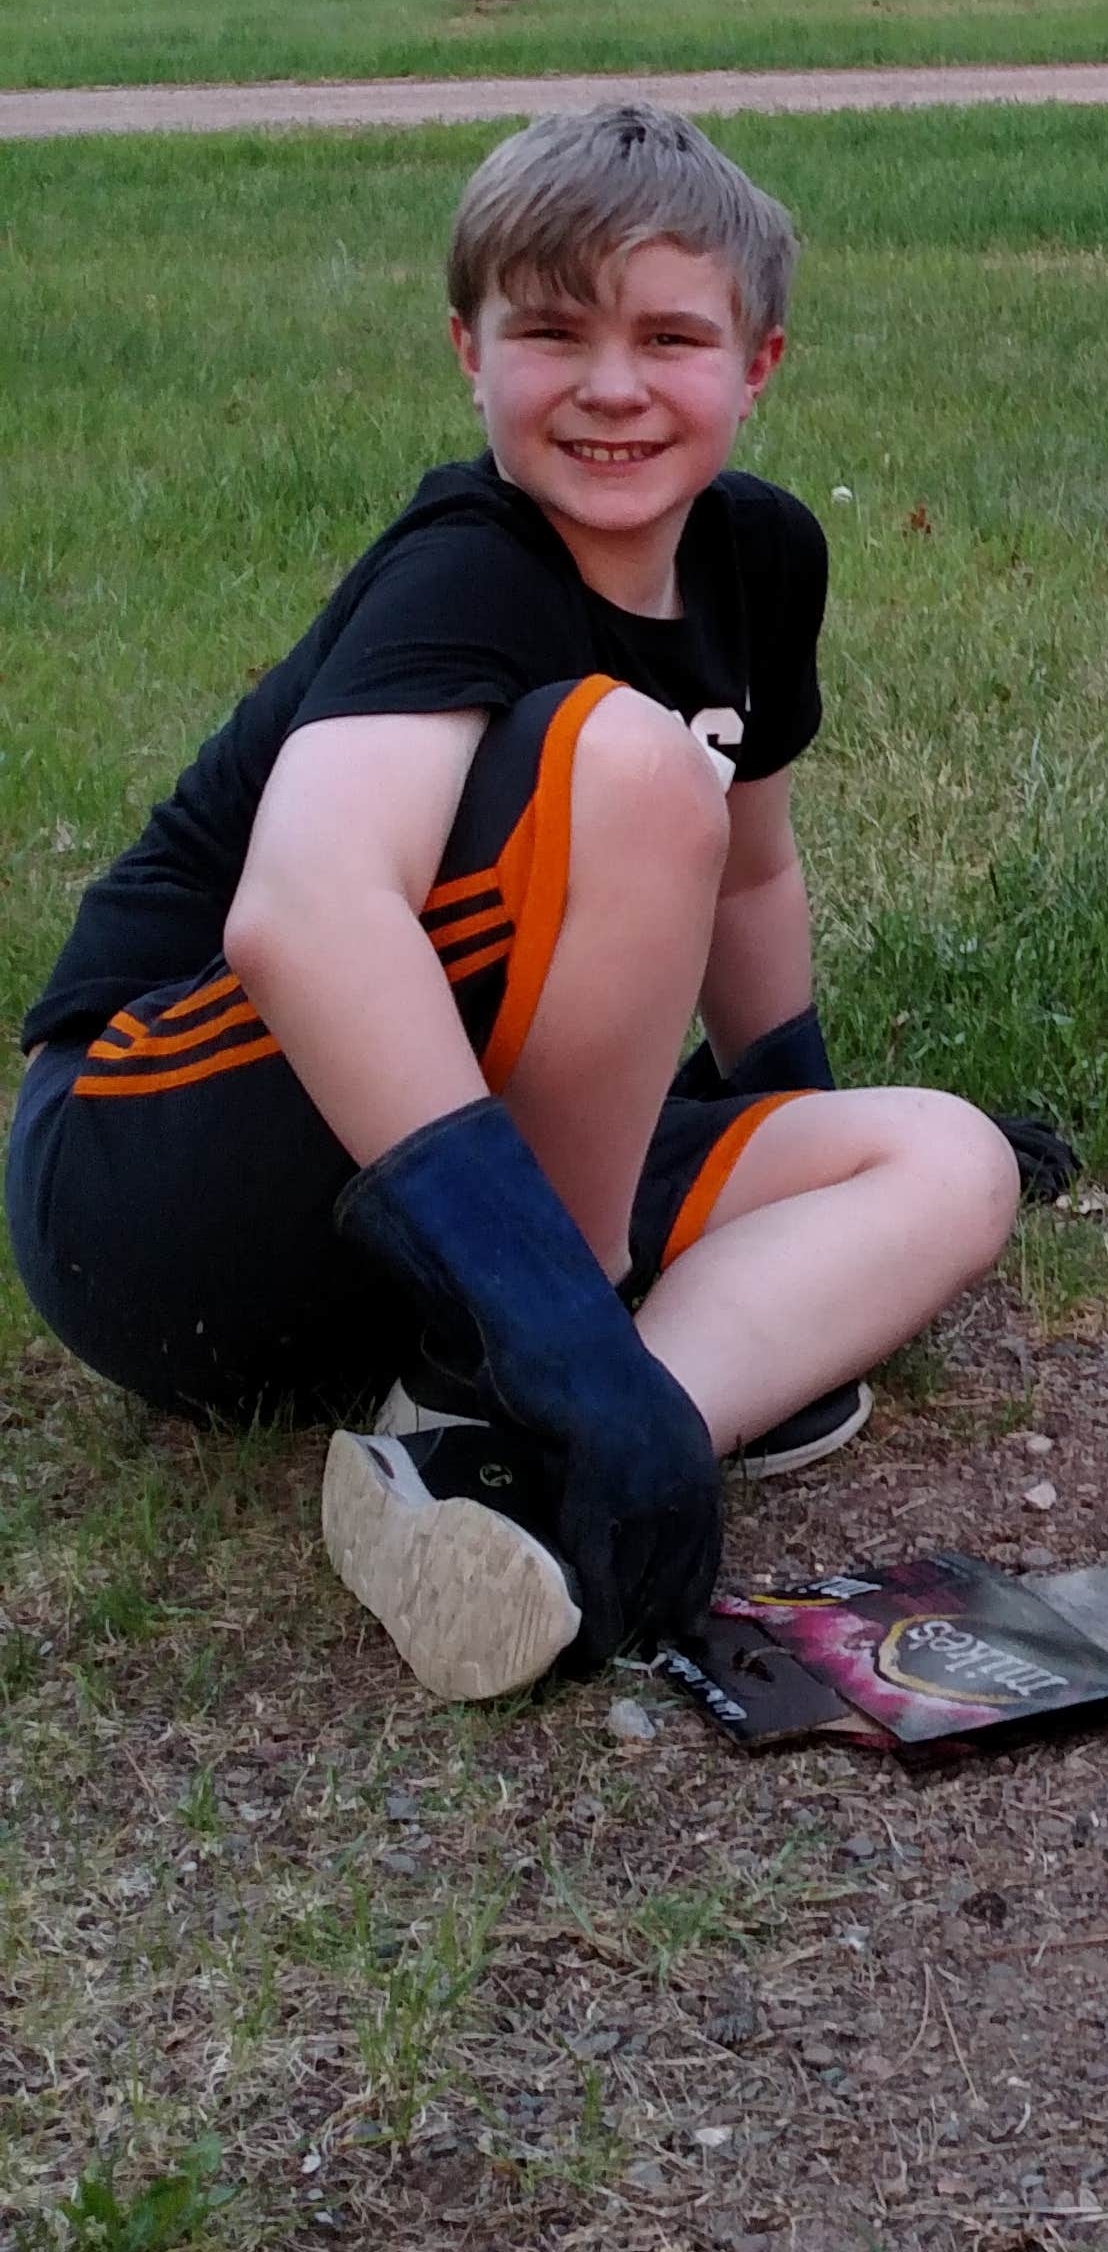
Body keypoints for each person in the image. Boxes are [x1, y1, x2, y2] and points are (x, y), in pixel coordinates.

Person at [10, 103, 1041, 1699]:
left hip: (430, 1197)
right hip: (149, 1173)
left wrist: (791, 1119)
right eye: (552, 332)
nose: (612, 386)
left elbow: (754, 866)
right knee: (625, 766)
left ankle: (533, 1462)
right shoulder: (468, 563)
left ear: (758, 366)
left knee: (950, 1160)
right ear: (468, 353)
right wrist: (554, 1312)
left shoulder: (759, 557)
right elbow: (302, 912)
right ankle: (536, 1357)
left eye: (671, 338)